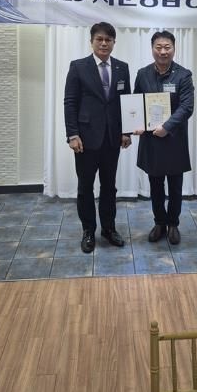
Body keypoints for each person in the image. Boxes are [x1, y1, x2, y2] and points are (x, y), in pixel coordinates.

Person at [64, 22, 131, 253]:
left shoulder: (122, 68)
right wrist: (72, 134)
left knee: (109, 186)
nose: (104, 43)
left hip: (112, 139)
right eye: (99, 39)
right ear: (91, 41)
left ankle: (109, 228)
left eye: (108, 40)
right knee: (85, 187)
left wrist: (126, 131)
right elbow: (70, 102)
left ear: (114, 43)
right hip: (85, 139)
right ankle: (88, 231)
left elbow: (126, 103)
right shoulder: (78, 67)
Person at [134, 30, 194, 245]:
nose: (163, 51)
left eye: (167, 47)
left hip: (174, 139)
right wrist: (136, 124)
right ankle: (159, 222)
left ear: (174, 49)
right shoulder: (143, 74)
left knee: (175, 186)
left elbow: (187, 107)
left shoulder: (183, 75)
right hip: (151, 140)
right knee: (155, 185)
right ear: (152, 49)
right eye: (158, 47)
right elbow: (136, 102)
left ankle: (173, 224)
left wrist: (167, 127)